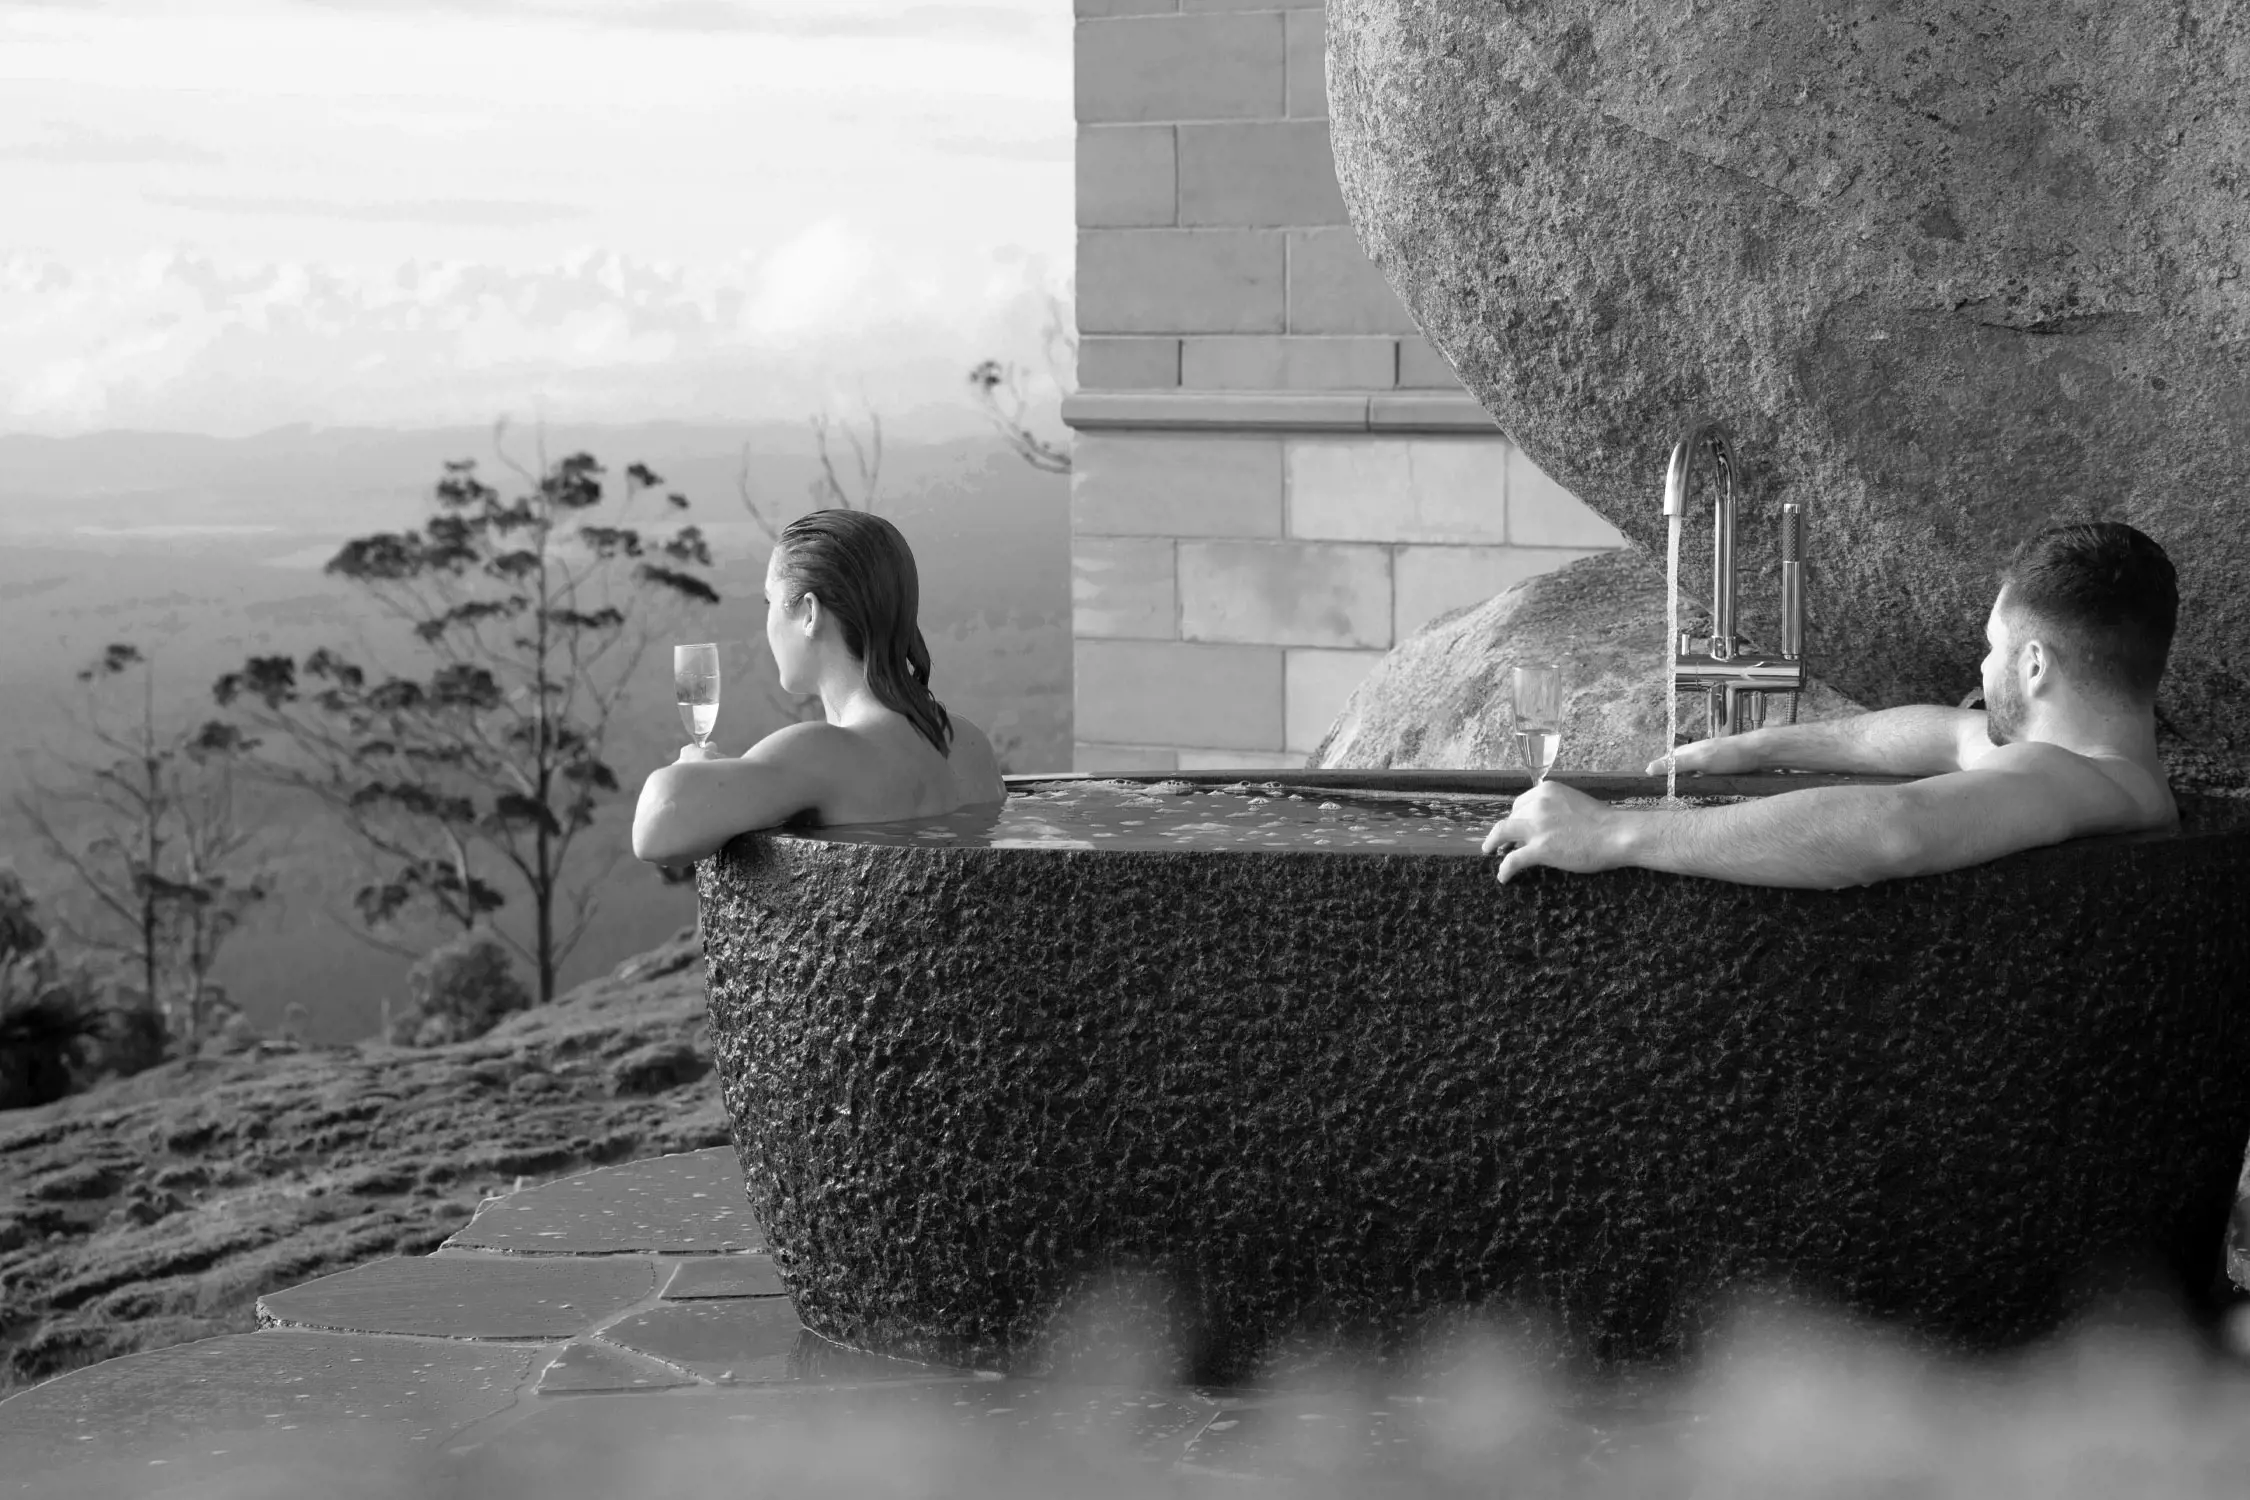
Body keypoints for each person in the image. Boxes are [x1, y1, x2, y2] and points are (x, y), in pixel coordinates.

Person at [1481, 521, 2179, 888]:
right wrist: (1759, 749)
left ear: (2033, 665)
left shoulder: (2070, 780)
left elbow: (1895, 829)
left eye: (1993, 646)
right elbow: (1946, 736)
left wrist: (1609, 835)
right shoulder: (2100, 770)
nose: (1981, 664)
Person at [631, 510, 1005, 867]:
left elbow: (659, 822)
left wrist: (696, 767)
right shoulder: (969, 745)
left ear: (809, 613)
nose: (767, 620)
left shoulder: (823, 753)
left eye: (770, 601)